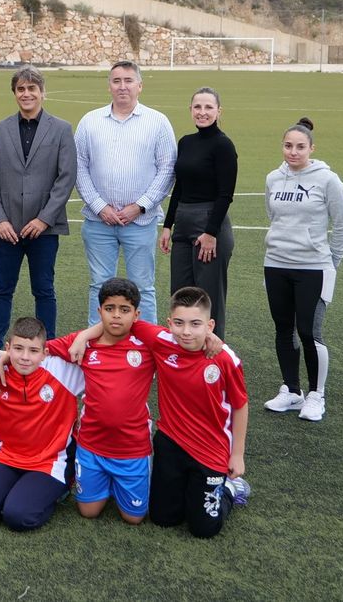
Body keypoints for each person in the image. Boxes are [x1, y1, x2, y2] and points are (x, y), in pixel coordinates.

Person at [77, 287, 249, 539]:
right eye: (179, 323)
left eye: (195, 324)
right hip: (171, 443)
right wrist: (83, 336)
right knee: (162, 519)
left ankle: (230, 489)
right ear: (169, 323)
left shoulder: (224, 359)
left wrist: (237, 455)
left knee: (203, 529)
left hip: (211, 450)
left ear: (210, 324)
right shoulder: (161, 340)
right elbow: (121, 322)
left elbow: (240, 405)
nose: (186, 331)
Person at [0, 316, 83, 531]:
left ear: (45, 353)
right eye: (18, 349)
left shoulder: (64, 371)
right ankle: (20, 491)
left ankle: (60, 488)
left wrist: (84, 335)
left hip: (50, 462)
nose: (25, 357)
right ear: (8, 347)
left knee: (18, 517)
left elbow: (103, 341)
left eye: (33, 351)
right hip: (9, 457)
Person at [262, 117, 343, 423]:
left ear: (312, 148)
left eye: (300, 146)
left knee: (309, 331)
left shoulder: (328, 180)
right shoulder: (273, 178)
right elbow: (273, 216)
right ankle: (291, 389)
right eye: (288, 146)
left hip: (314, 267)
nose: (294, 152)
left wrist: (331, 263)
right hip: (276, 263)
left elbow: (342, 226)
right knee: (283, 329)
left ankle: (316, 395)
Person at [74, 60, 176, 325]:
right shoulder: (90, 121)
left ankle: (148, 347)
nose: (123, 86)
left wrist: (139, 206)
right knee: (99, 286)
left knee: (143, 288)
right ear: (109, 86)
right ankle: (99, 349)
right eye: (117, 81)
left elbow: (167, 169)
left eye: (129, 80)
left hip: (140, 222)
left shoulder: (158, 122)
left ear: (140, 86)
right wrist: (99, 206)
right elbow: (78, 167)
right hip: (99, 222)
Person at [0, 67, 77, 346]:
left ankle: (47, 347)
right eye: (21, 89)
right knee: (2, 289)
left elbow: (66, 177)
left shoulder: (61, 129)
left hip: (44, 230)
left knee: (44, 290)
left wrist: (44, 219)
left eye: (32, 88)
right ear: (15, 94)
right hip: (6, 229)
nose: (27, 94)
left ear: (42, 92)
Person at [48, 277, 155, 525]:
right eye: (109, 309)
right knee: (88, 512)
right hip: (92, 445)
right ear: (100, 312)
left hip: (132, 448)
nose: (116, 316)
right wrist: (4, 358)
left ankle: (120, 481)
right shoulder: (84, 344)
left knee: (134, 518)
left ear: (136, 314)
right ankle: (92, 476)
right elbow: (39, 349)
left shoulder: (148, 345)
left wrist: (211, 339)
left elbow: (182, 340)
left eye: (124, 310)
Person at [161, 87, 237, 337]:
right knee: (181, 297)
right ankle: (182, 359)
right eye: (197, 107)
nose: (202, 112)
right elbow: (179, 186)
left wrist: (211, 233)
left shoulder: (223, 145)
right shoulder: (185, 142)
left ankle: (213, 360)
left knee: (208, 299)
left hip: (209, 225)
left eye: (208, 107)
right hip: (183, 223)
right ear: (191, 110)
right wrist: (168, 225)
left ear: (218, 111)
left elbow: (225, 194)